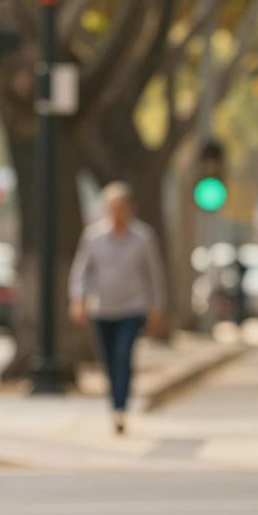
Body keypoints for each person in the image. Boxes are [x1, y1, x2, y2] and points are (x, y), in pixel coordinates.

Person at [69, 182, 166, 435]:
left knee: (123, 355)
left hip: (133, 307)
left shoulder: (143, 238)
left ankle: (121, 408)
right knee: (109, 360)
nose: (117, 213)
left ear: (130, 209)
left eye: (121, 207)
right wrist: (78, 299)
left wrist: (156, 308)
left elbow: (153, 275)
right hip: (102, 308)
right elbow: (81, 271)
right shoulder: (93, 237)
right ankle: (115, 403)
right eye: (112, 208)